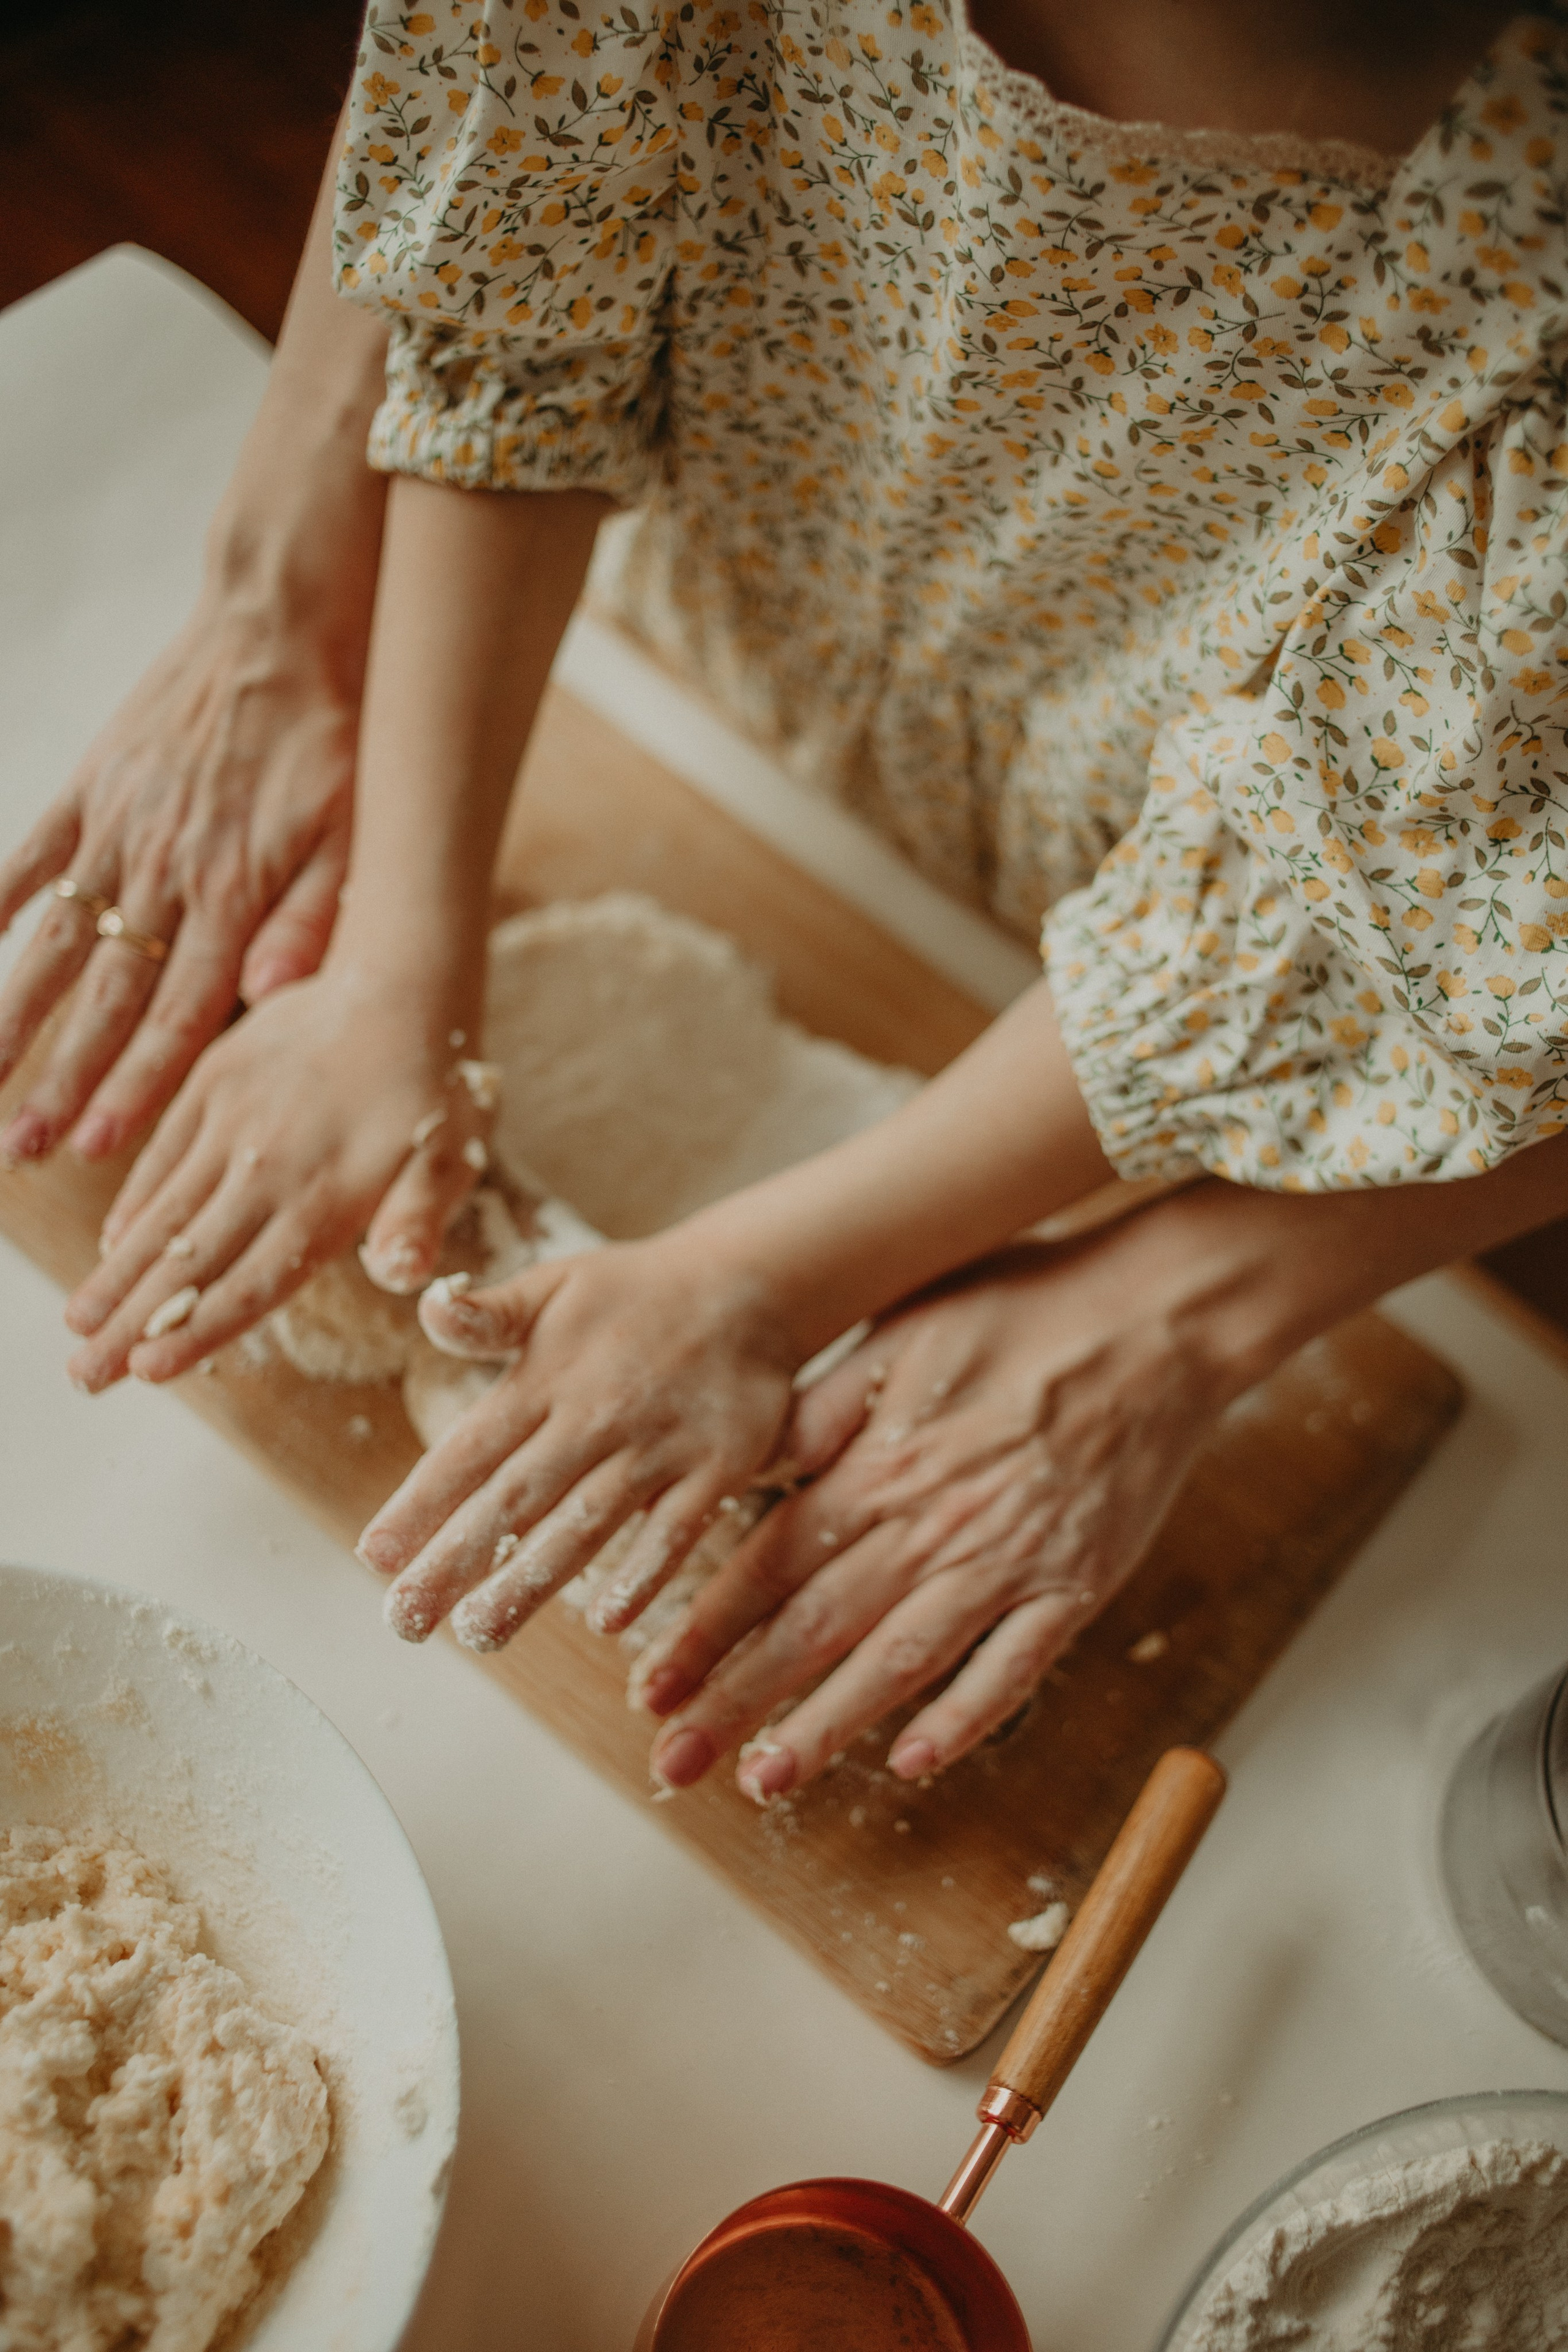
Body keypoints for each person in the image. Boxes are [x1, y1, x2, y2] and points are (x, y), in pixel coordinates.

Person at [4, 0, 1566, 1804]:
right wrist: (392, 958)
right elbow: (533, 209)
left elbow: (1433, 887)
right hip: (738, 634)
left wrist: (850, 1280)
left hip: (1263, 962)